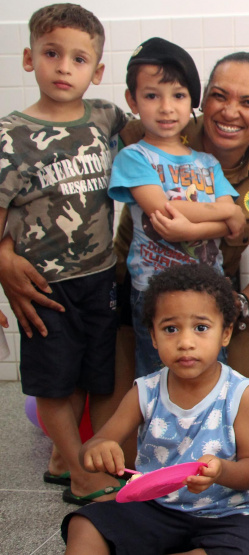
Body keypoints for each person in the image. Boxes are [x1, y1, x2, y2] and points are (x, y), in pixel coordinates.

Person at [113, 52, 249, 460]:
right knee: (124, 441)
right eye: (219, 96)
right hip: (140, 298)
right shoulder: (153, 131)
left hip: (215, 303)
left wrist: (239, 302)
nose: (231, 112)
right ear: (201, 99)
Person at [0, 3, 128, 505]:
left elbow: (155, 131)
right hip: (43, 284)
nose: (63, 67)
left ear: (96, 72)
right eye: (52, 54)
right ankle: (80, 473)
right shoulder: (11, 136)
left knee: (88, 374)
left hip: (99, 274)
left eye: (78, 59)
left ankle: (61, 458)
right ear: (30, 58)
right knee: (53, 383)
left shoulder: (104, 117)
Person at [61, 263, 249, 555]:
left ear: (225, 333)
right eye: (171, 329)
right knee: (84, 522)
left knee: (242, 549)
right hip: (153, 510)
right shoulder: (144, 391)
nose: (185, 343)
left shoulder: (240, 393)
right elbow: (94, 445)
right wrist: (97, 449)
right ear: (154, 336)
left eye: (201, 328)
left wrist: (221, 471)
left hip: (223, 515)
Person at [109, 37, 243, 378]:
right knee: (158, 376)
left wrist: (193, 228)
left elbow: (236, 223)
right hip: (154, 291)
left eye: (178, 96)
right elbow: (165, 210)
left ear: (191, 102)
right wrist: (223, 213)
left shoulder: (208, 162)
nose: (166, 107)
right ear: (132, 100)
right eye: (152, 95)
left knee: (213, 373)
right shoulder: (134, 157)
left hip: (210, 291)